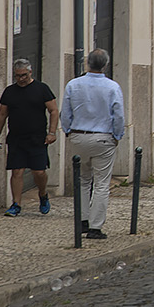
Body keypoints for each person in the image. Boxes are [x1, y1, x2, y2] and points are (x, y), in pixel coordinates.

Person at [60, 49, 125, 240]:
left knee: (82, 180)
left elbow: (66, 113)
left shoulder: (73, 85)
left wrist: (69, 132)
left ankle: (82, 221)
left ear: (87, 63)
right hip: (103, 138)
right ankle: (95, 227)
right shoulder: (112, 87)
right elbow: (119, 115)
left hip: (78, 136)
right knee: (102, 184)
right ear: (105, 65)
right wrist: (117, 136)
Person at [0, 58, 59, 217]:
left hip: (37, 138)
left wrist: (52, 132)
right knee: (17, 171)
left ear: (30, 72)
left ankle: (42, 194)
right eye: (17, 76)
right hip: (16, 138)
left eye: (23, 75)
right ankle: (16, 204)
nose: (21, 79)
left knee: (39, 172)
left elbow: (54, 111)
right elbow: (2, 114)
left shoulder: (42, 89)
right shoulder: (10, 91)